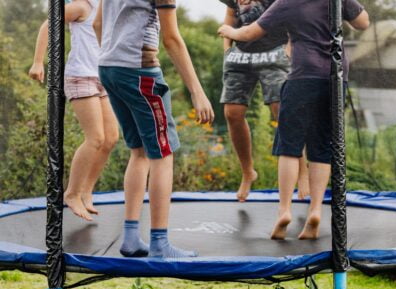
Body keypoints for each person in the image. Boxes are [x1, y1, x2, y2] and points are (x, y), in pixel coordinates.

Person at [219, 0, 370, 240]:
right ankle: (316, 210)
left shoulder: (287, 1)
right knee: (321, 147)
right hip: (336, 77)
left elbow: (250, 32)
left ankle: (284, 210)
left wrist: (229, 31)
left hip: (303, 75)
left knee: (289, 146)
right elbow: (363, 22)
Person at [94, 0, 214, 258]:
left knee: (139, 151)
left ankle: (130, 237)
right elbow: (172, 39)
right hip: (139, 71)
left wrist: (114, 53)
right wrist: (197, 92)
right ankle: (160, 243)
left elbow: (97, 24)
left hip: (108, 67)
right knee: (163, 152)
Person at [29, 0, 119, 222]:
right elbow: (48, 25)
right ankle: (71, 193)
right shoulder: (81, 6)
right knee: (95, 138)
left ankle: (87, 191)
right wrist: (38, 62)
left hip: (102, 77)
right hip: (81, 77)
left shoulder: (107, 6)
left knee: (111, 139)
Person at [219, 0, 310, 202]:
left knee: (282, 110)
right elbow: (231, 15)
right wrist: (227, 50)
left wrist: (289, 49)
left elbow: (293, 17)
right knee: (232, 113)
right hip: (240, 55)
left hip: (274, 51)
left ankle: (303, 170)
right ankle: (248, 172)